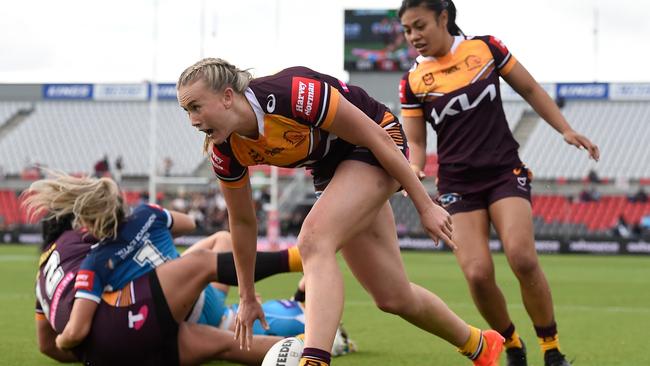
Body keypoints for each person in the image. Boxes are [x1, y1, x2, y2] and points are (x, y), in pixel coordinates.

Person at [176, 57, 505, 366]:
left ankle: (315, 359)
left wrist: (424, 203)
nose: (192, 120)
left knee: (314, 240)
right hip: (333, 168)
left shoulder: (290, 93)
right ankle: (480, 345)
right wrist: (247, 296)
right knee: (392, 296)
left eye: (196, 107)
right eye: (186, 110)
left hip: (378, 140)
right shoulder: (225, 150)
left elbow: (374, 135)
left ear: (228, 97)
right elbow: (243, 222)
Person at [397, 1, 600, 366]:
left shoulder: (486, 48)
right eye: (408, 30)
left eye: (420, 26)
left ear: (444, 18)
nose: (414, 37)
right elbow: (415, 143)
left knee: (522, 258)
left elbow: (531, 90)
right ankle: (510, 344)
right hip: (458, 184)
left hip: (504, 172)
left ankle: (551, 350)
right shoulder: (412, 81)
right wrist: (413, 168)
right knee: (476, 274)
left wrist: (566, 130)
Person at [24, 173, 308, 365]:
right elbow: (188, 225)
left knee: (225, 344)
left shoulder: (48, 276)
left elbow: (48, 346)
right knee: (209, 261)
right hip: (167, 309)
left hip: (122, 336)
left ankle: (306, 346)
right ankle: (298, 261)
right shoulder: (92, 244)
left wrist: (87, 350)